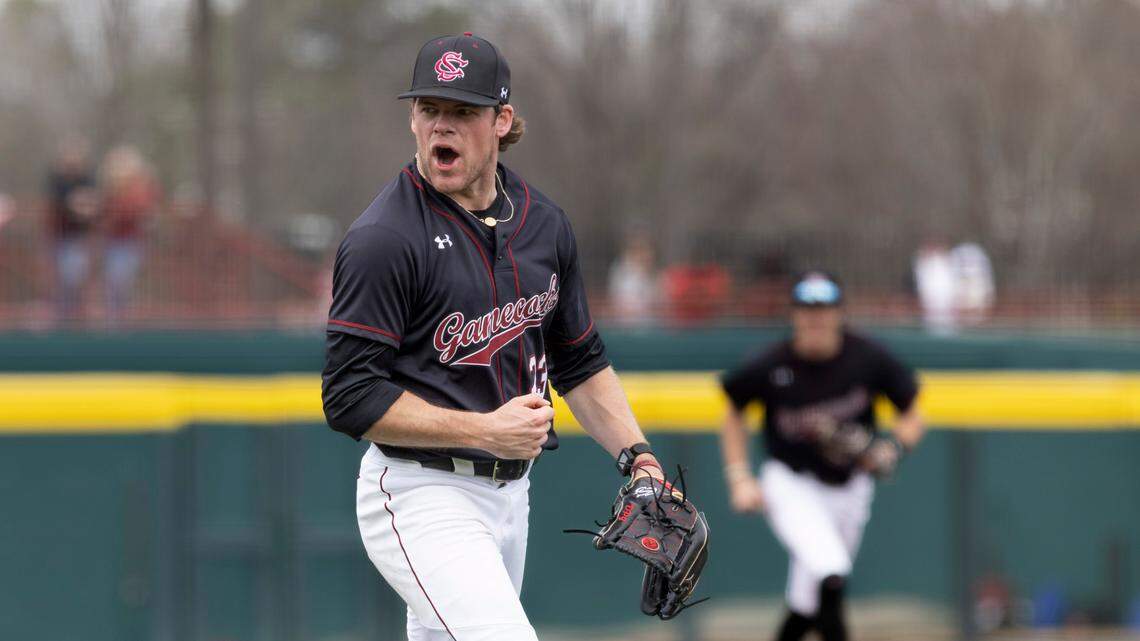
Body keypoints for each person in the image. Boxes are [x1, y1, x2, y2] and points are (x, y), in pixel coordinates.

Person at [321, 33, 671, 641]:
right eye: (429, 109)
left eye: (461, 112)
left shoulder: (544, 224)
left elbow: (580, 362)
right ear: (412, 118)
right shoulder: (384, 238)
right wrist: (484, 429)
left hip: (512, 497)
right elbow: (349, 395)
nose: (442, 127)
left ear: (502, 120)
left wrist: (637, 455)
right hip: (418, 491)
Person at [718, 271, 925, 641]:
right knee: (831, 573)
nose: (815, 318)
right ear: (794, 314)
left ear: (839, 312)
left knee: (806, 602)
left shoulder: (867, 356)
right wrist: (739, 477)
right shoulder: (772, 363)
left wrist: (893, 447)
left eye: (824, 308)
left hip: (851, 486)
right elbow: (733, 413)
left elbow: (912, 414)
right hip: (790, 482)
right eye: (807, 308)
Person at [99, 145, 159, 325]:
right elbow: (105, 213)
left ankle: (124, 320)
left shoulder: (139, 187)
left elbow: (138, 210)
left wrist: (119, 214)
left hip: (131, 241)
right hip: (114, 241)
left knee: (123, 280)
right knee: (114, 281)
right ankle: (114, 321)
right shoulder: (110, 188)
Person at [45, 138, 99, 322]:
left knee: (75, 276)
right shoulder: (57, 179)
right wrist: (75, 204)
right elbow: (58, 203)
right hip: (59, 236)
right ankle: (63, 317)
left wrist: (82, 205)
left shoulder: (88, 178)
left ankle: (76, 316)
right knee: (62, 279)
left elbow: (91, 202)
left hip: (79, 237)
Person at [607, 234, 658, 327]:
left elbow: (656, 302)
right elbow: (620, 303)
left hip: (647, 325)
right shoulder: (622, 272)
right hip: (627, 326)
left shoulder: (652, 276)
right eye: (641, 251)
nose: (646, 256)